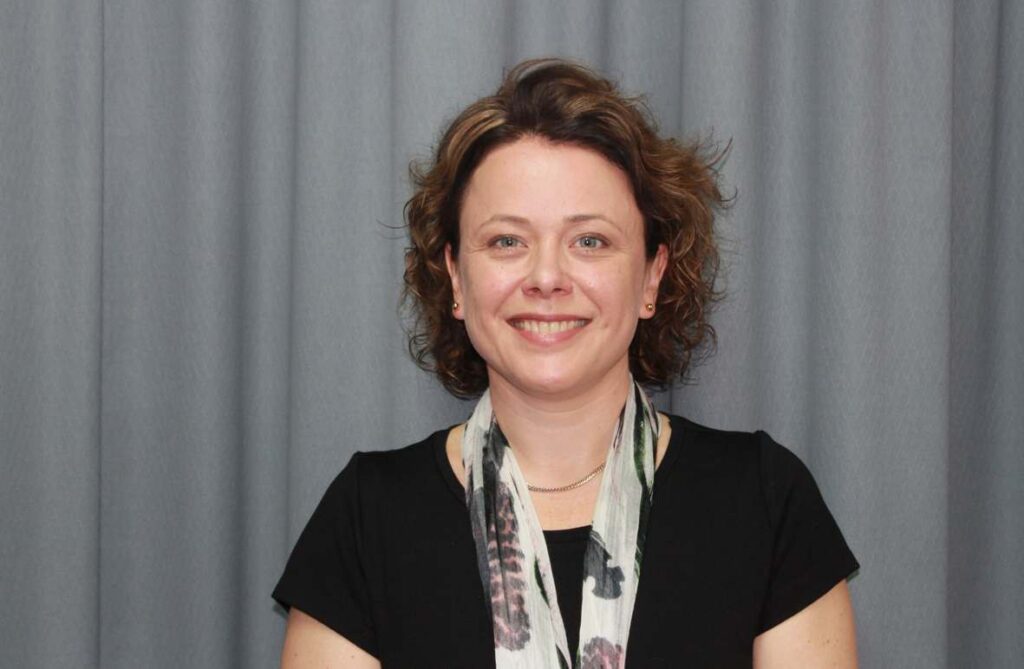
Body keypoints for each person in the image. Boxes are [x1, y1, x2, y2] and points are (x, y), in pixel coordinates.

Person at [273, 58, 860, 668]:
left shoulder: (764, 503)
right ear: (455, 278)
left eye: (589, 241)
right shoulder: (367, 519)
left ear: (652, 276)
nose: (547, 276)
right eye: (507, 241)